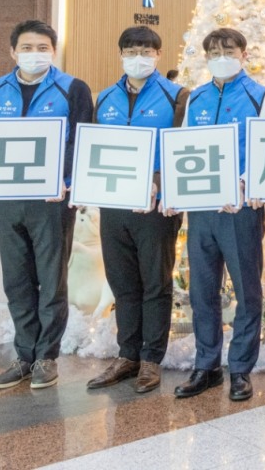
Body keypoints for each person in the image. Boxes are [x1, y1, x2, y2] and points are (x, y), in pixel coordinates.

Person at [0, 19, 94, 391]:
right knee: (16, 278)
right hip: (7, 200)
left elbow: (81, 139)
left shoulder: (72, 89)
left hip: (51, 201)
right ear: (12, 52)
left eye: (43, 48)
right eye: (27, 47)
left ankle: (45, 357)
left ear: (54, 52)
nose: (34, 54)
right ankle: (23, 355)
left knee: (51, 279)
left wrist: (66, 180)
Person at [173, 28, 265, 403]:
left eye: (229, 50)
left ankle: (240, 369)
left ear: (244, 54)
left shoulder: (261, 96)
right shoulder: (196, 97)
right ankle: (206, 365)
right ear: (206, 58)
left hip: (240, 210)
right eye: (215, 51)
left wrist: (244, 183)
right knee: (202, 289)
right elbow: (184, 147)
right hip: (201, 209)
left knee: (247, 291)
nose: (222, 56)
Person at [85, 27, 187, 395]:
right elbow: (95, 146)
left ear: (158, 55)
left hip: (156, 207)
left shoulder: (177, 96)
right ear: (121, 55)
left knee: (155, 282)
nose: (138, 56)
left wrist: (160, 181)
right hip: (114, 205)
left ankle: (151, 359)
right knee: (122, 282)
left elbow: (182, 148)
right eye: (130, 50)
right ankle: (127, 354)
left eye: (145, 50)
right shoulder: (106, 97)